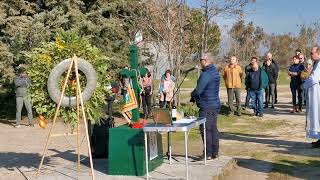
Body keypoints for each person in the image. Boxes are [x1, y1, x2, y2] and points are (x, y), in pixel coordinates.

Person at [191, 53, 220, 160]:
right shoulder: (215, 71)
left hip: (207, 105)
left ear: (206, 61)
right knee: (213, 129)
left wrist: (192, 95)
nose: (200, 62)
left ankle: (208, 153)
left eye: (201, 60)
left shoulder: (206, 74)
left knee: (205, 129)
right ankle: (215, 152)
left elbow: (199, 90)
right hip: (214, 104)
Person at [303, 46, 320, 148]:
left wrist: (305, 84)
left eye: (312, 53)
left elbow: (314, 79)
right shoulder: (316, 63)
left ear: (318, 53)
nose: (310, 54)